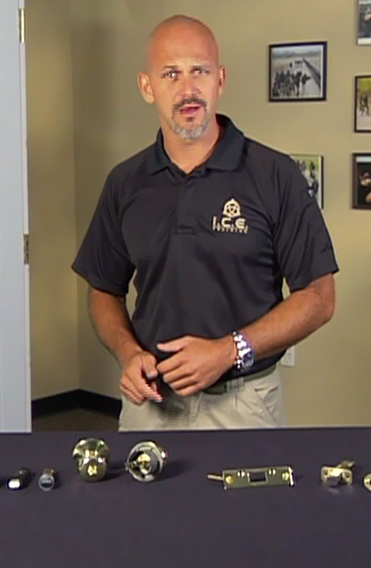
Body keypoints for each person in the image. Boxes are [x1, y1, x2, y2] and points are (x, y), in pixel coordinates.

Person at [71, 15, 339, 431]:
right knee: (137, 500)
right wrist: (128, 353)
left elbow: (319, 297)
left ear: (221, 79)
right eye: (171, 74)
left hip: (244, 404)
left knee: (250, 500)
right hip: (150, 406)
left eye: (200, 71)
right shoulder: (125, 183)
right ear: (147, 87)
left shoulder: (274, 175)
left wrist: (229, 350)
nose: (188, 89)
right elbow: (103, 288)